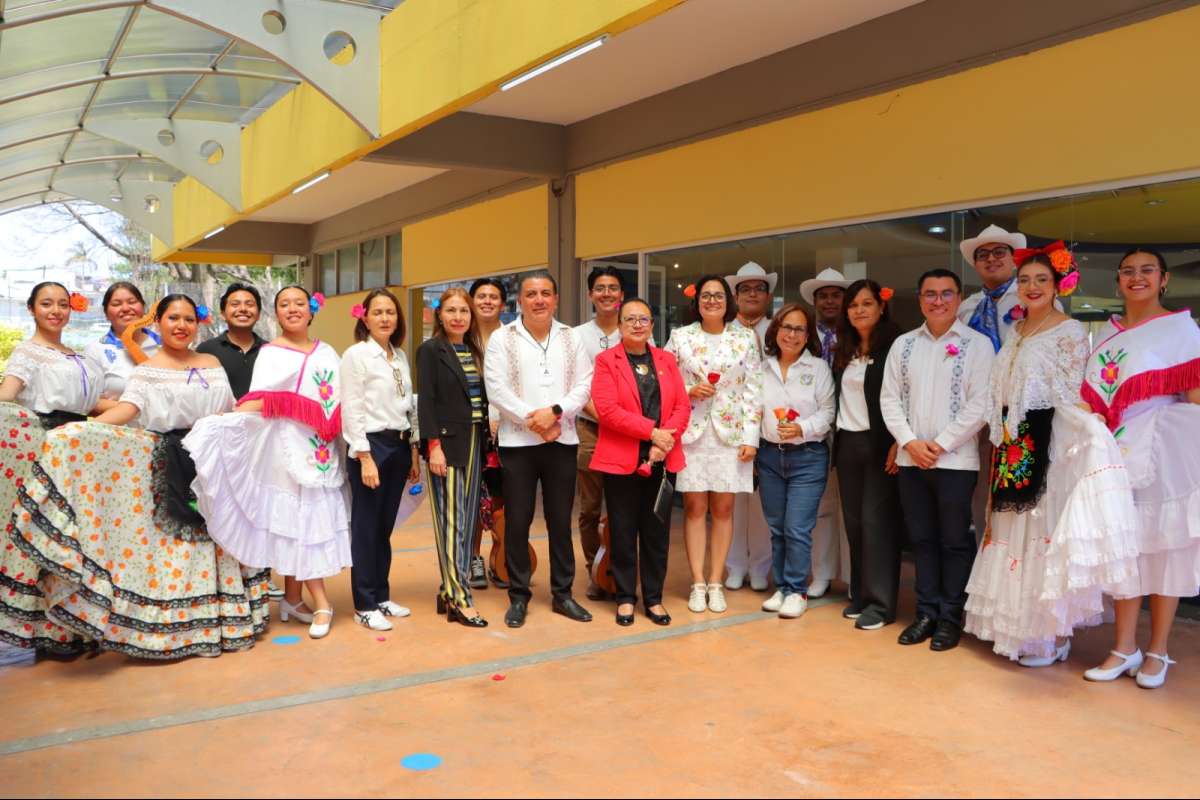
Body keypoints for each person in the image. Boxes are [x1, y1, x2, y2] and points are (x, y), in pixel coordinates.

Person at [1, 294, 271, 658]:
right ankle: (175, 629)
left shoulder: (211, 362)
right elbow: (129, 409)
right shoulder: (146, 371)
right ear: (157, 322)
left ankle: (222, 620)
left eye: (188, 319)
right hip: (169, 460)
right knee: (179, 544)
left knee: (217, 539)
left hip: (213, 459)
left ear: (197, 324)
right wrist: (78, 432)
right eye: (172, 318)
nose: (181, 326)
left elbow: (228, 409)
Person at [964, 246, 1141, 665]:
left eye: (1041, 280)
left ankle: (1051, 636)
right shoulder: (1017, 332)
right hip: (1011, 445)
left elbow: (1067, 392)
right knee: (1008, 530)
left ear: (1057, 285)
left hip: (1046, 446)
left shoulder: (1070, 331)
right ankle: (1015, 628)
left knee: (1039, 534)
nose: (1032, 287)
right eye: (1025, 281)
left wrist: (1088, 424)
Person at [186, 286, 351, 640]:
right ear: (276, 314)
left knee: (302, 523)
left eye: (299, 303)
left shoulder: (328, 352)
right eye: (284, 305)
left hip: (323, 446)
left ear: (311, 310)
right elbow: (259, 399)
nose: (292, 309)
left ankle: (292, 599)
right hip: (286, 448)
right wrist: (226, 420)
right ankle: (322, 601)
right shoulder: (272, 353)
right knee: (302, 524)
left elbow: (337, 398)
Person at [1080, 247, 1200, 689]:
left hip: (1164, 454)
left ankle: (1159, 650)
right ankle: (1124, 645)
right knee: (1124, 551)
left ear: (1164, 279)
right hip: (1115, 453)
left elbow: (1195, 399)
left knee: (1163, 550)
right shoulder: (1108, 336)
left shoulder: (1180, 330)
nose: (1137, 278)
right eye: (1128, 271)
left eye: (1147, 270)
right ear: (1117, 281)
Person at [881, 268, 994, 651]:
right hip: (912, 462)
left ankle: (950, 617)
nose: (938, 300)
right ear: (920, 299)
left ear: (959, 298)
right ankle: (925, 613)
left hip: (956, 463)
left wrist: (941, 444)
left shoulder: (977, 345)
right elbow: (889, 399)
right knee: (922, 540)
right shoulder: (903, 345)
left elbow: (981, 403)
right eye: (930, 293)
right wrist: (910, 443)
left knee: (954, 542)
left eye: (947, 293)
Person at [483, 272, 593, 628]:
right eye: (531, 294)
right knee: (517, 521)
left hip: (561, 440)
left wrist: (555, 414)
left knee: (560, 522)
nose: (539, 300)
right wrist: (534, 420)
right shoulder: (502, 338)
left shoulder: (570, 337)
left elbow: (584, 384)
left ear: (556, 299)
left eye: (546, 293)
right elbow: (496, 388)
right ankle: (518, 595)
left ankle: (563, 594)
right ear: (521, 301)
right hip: (518, 443)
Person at [0, 282, 104, 654]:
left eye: (62, 304)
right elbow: (7, 397)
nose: (56, 310)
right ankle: (48, 634)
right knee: (48, 537)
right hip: (44, 450)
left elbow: (93, 407)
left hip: (78, 451)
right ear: (31, 308)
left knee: (77, 539)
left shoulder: (76, 355)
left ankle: (75, 626)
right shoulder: (28, 353)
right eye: (47, 304)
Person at [589, 298, 689, 626]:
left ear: (651, 325)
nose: (637, 324)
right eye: (629, 319)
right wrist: (653, 433)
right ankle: (625, 598)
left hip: (662, 459)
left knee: (657, 532)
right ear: (618, 325)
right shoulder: (607, 361)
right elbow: (608, 410)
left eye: (643, 319)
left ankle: (654, 598)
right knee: (622, 531)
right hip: (622, 460)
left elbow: (682, 407)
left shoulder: (666, 359)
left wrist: (665, 441)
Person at [665, 274, 762, 614]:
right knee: (693, 509)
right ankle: (697, 582)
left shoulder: (745, 338)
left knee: (723, 509)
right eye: (706, 295)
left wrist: (751, 437)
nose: (711, 301)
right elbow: (665, 381)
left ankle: (716, 581)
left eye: (718, 295)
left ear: (728, 300)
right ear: (697, 301)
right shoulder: (680, 337)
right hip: (691, 434)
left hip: (731, 435)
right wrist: (687, 391)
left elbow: (754, 390)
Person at [341, 288, 419, 632]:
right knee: (366, 527)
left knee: (384, 527)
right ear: (365, 317)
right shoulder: (356, 356)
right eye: (378, 312)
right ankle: (364, 602)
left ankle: (382, 595)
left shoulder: (398, 355)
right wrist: (364, 456)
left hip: (399, 445)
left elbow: (407, 406)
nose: (386, 318)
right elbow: (352, 408)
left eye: (391, 312)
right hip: (370, 447)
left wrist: (413, 450)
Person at [417, 287, 491, 628]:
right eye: (451, 311)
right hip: (446, 445)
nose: (458, 317)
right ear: (439, 315)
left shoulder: (473, 350)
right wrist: (433, 446)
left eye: (464, 311)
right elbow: (427, 402)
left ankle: (448, 592)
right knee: (451, 524)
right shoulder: (431, 351)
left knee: (466, 522)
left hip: (475, 440)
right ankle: (461, 598)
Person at [832, 279, 903, 630]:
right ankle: (860, 594)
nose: (859, 310)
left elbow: (904, 397)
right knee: (855, 524)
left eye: (867, 303)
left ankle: (882, 603)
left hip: (880, 445)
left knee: (878, 524)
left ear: (881, 307)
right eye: (853, 305)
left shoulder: (896, 347)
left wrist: (897, 441)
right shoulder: (844, 349)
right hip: (848, 444)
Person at [756, 304, 834, 619]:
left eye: (799, 329)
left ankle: (798, 591)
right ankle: (783, 588)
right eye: (786, 327)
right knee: (777, 528)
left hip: (808, 457)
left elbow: (828, 412)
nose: (792, 334)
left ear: (808, 334)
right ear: (775, 330)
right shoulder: (762, 368)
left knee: (797, 527)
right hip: (770, 455)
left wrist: (803, 427)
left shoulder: (817, 369)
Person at [573, 266, 626, 600]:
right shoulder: (576, 336)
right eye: (600, 288)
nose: (607, 293)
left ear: (621, 295)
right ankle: (596, 570)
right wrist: (606, 417)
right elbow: (576, 384)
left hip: (628, 432)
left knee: (623, 506)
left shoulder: (635, 330)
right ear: (590, 294)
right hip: (589, 429)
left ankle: (620, 570)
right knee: (590, 508)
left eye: (613, 288)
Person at [800, 267, 852, 598]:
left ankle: (852, 576)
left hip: (850, 430)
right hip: (813, 432)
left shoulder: (856, 335)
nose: (830, 301)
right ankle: (821, 573)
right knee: (820, 507)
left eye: (836, 295)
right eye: (823, 296)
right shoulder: (805, 336)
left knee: (851, 510)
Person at [723, 262, 775, 593]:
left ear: (768, 296)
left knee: (760, 504)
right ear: (735, 296)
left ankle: (759, 566)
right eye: (745, 289)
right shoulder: (722, 330)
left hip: (767, 426)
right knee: (729, 502)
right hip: (728, 426)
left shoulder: (778, 329)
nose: (752, 294)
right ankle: (733, 565)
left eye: (758, 288)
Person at [468, 276, 506, 590]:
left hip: (506, 429)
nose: (487, 301)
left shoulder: (511, 337)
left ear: (503, 304)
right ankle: (473, 558)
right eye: (481, 296)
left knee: (501, 498)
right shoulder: (462, 339)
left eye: (494, 297)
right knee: (473, 497)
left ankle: (502, 557)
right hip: (471, 431)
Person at [85, 281, 160, 412]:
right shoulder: (96, 350)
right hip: (120, 428)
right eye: (116, 304)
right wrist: (134, 408)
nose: (125, 308)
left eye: (132, 302)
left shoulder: (163, 345)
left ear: (143, 307)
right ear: (106, 313)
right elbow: (89, 401)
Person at [957, 224, 1028, 351]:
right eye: (983, 255)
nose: (991, 258)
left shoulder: (1031, 298)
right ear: (975, 264)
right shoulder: (966, 307)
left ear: (1014, 259)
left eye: (999, 252)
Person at [197, 283, 266, 400]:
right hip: (220, 417)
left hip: (262, 417)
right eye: (235, 304)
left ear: (258, 314)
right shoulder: (206, 350)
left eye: (250, 304)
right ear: (223, 314)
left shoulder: (271, 351)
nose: (243, 309)